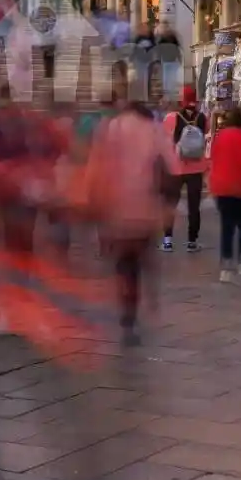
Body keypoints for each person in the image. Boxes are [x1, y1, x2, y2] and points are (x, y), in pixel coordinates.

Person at [82, 101, 174, 345]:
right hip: (145, 213)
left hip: (117, 214)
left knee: (124, 267)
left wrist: (93, 203)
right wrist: (166, 206)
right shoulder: (155, 130)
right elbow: (169, 168)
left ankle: (128, 316)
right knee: (142, 263)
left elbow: (95, 170)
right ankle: (145, 302)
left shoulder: (109, 128)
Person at [209, 108, 241, 283]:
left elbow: (213, 158)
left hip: (221, 187)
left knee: (226, 227)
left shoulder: (219, 137)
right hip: (240, 187)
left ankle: (226, 267)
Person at [161, 85, 209, 253]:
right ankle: (192, 242)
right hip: (196, 168)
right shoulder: (203, 117)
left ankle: (167, 241)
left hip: (175, 167)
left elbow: (165, 140)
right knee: (194, 206)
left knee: (170, 205)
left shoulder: (171, 118)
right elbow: (205, 136)